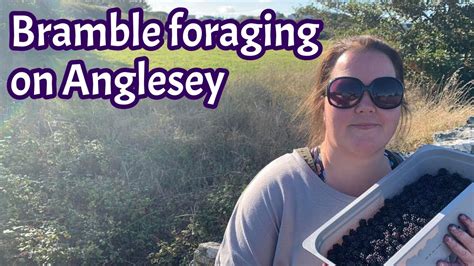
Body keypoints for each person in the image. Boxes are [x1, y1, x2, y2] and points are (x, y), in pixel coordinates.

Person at [214, 35, 474, 265]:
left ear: (399, 105)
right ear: (322, 103)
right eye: (346, 91)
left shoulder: (428, 184)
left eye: (385, 92)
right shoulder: (279, 189)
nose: (365, 106)